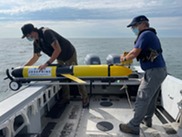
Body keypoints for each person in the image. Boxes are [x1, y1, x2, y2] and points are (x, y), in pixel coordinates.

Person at [21, 23, 89, 108]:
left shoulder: (46, 33)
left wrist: (47, 64)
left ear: (32, 32)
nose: (28, 37)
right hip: (59, 56)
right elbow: (35, 57)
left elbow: (58, 49)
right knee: (62, 76)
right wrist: (24, 68)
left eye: (27, 35)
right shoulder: (36, 43)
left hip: (69, 53)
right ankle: (65, 98)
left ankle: (85, 98)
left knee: (75, 75)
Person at [119, 15, 167, 135]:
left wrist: (124, 58)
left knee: (142, 97)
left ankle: (133, 126)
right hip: (160, 70)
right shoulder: (150, 35)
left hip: (154, 71)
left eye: (134, 26)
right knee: (151, 98)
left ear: (143, 24)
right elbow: (136, 50)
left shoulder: (145, 34)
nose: (133, 29)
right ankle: (147, 119)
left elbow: (135, 52)